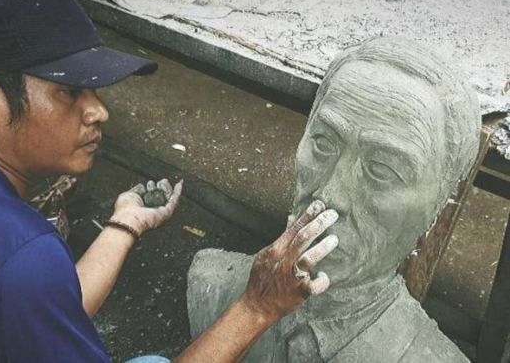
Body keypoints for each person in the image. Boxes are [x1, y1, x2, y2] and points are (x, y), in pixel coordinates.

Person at [0, 0, 338, 362]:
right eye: (69, 90)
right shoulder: (17, 255)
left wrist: (126, 223)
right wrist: (256, 306)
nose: (98, 111)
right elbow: (27, 284)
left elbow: (40, 303)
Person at [187, 37, 480, 362]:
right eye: (324, 142)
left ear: (438, 205)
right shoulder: (212, 284)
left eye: (382, 169)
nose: (329, 195)